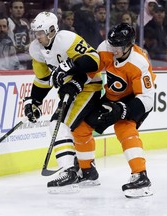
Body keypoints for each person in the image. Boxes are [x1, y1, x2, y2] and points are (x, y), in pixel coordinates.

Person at [23, 11, 103, 193]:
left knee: (58, 124)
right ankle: (88, 171)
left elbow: (94, 60)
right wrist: (34, 101)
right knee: (73, 129)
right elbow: (43, 80)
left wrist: (69, 68)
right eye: (35, 32)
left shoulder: (66, 39)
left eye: (41, 32)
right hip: (70, 91)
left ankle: (69, 171)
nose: (37, 37)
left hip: (89, 88)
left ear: (52, 30)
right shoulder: (36, 50)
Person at [84, 23, 156, 198]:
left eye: (119, 46)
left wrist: (123, 110)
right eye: (112, 44)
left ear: (129, 45)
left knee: (124, 127)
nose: (114, 49)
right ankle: (86, 171)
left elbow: (147, 99)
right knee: (83, 123)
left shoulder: (139, 62)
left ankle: (141, 176)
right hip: (112, 96)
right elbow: (91, 71)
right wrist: (75, 82)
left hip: (135, 99)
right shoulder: (105, 48)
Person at [8, 0, 32, 69]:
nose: (19, 10)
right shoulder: (7, 23)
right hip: (10, 59)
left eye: (21, 8)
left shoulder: (25, 24)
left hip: (23, 58)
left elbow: (28, 42)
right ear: (10, 9)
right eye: (16, 7)